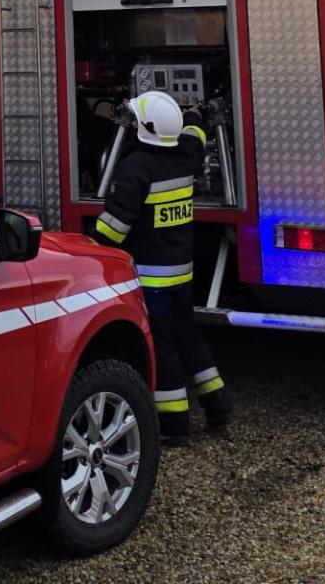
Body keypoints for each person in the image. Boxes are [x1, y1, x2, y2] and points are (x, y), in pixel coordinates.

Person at [93, 90, 230, 444]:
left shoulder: (135, 169)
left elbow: (114, 230)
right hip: (182, 271)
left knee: (162, 345)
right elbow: (194, 135)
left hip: (152, 276)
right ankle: (218, 404)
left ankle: (174, 425)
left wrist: (91, 242)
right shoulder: (187, 154)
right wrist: (197, 114)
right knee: (188, 335)